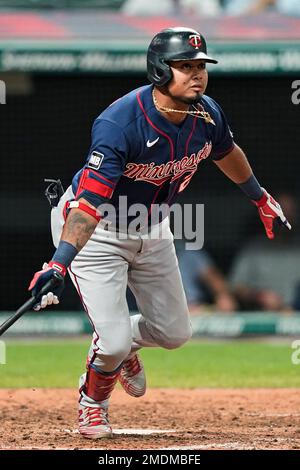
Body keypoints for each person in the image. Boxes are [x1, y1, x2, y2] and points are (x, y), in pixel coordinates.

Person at [28, 26, 291, 439]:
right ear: (159, 70)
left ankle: (127, 347)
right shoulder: (120, 123)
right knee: (109, 343)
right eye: (184, 66)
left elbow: (227, 153)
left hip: (152, 228)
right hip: (97, 231)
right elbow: (90, 205)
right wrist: (59, 262)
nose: (197, 74)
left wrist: (260, 198)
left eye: (201, 66)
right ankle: (93, 401)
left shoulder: (208, 114)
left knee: (174, 333)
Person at [230, 193, 300, 312]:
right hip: (263, 317)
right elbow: (236, 287)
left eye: (290, 212)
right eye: (281, 211)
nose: (285, 217)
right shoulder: (254, 248)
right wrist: (259, 296)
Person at [176, 243, 237, 313]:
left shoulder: (187, 253)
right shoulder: (161, 256)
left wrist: (224, 296)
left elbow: (214, 279)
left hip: (196, 309)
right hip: (168, 312)